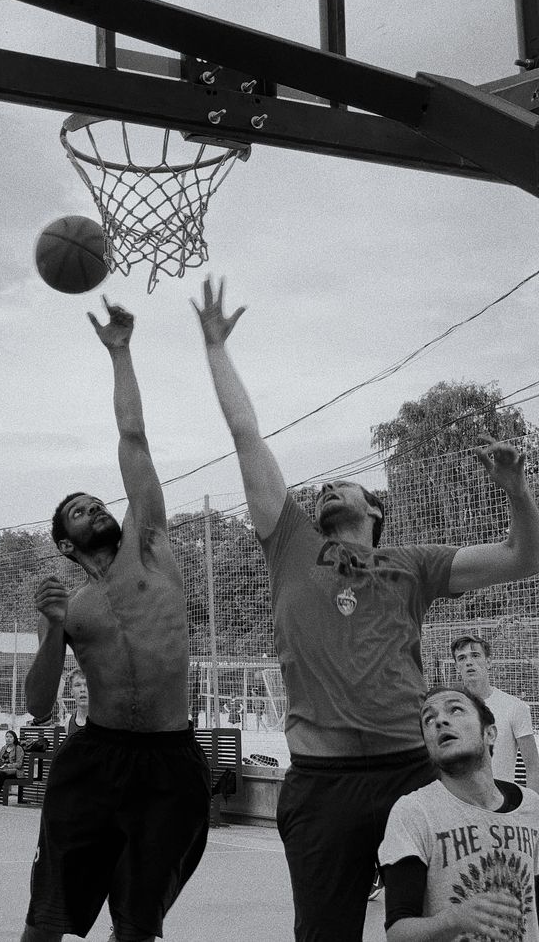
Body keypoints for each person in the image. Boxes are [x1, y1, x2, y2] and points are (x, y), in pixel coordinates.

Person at [193, 274, 539, 942]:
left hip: (412, 769)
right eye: (324, 484)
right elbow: (245, 433)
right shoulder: (290, 541)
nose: (326, 486)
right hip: (322, 783)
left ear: (375, 511)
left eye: (342, 484)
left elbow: (523, 558)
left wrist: (517, 489)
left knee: (446, 925)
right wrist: (214, 345)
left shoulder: (413, 564)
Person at [20, 297, 211, 942]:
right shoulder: (72, 607)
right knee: (47, 916)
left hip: (170, 757)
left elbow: (134, 438)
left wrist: (121, 352)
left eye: (94, 499)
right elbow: (39, 707)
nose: (93, 506)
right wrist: (49, 632)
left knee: (137, 925)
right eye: (77, 510)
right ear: (66, 545)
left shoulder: (149, 544)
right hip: (95, 757)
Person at [379, 686, 539, 941]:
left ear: (490, 733)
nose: (440, 720)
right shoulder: (413, 812)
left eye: (455, 709)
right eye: (428, 719)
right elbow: (397, 934)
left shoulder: (530, 807)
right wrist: (453, 920)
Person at [452, 632, 539, 792]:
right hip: (459, 807)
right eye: (462, 658)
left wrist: (532, 810)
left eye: (475, 655)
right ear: (457, 667)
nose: (469, 662)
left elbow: (533, 767)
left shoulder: (514, 707)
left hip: (501, 807)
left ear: (488, 662)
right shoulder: (447, 711)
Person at [0, 729, 25, 804]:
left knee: (0, 775)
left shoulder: (18, 748)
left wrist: (8, 765)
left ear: (14, 738)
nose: (8, 739)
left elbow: (19, 764)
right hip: (2, 770)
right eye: (7, 737)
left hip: (14, 773)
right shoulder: (4, 748)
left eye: (10, 737)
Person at [65, 669, 89, 736]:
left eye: (86, 685)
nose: (82, 690)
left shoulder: (104, 722)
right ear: (71, 691)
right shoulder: (68, 724)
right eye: (77, 685)